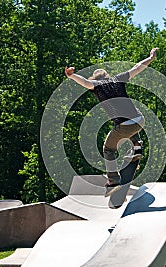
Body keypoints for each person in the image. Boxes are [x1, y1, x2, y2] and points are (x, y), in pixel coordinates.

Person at [65, 48, 159, 197]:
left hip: (125, 125)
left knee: (108, 148)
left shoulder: (97, 86)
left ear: (96, 79)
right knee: (129, 125)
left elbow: (84, 83)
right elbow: (137, 67)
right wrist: (150, 58)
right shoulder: (118, 78)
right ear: (107, 76)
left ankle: (113, 181)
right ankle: (137, 145)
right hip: (140, 120)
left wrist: (72, 76)